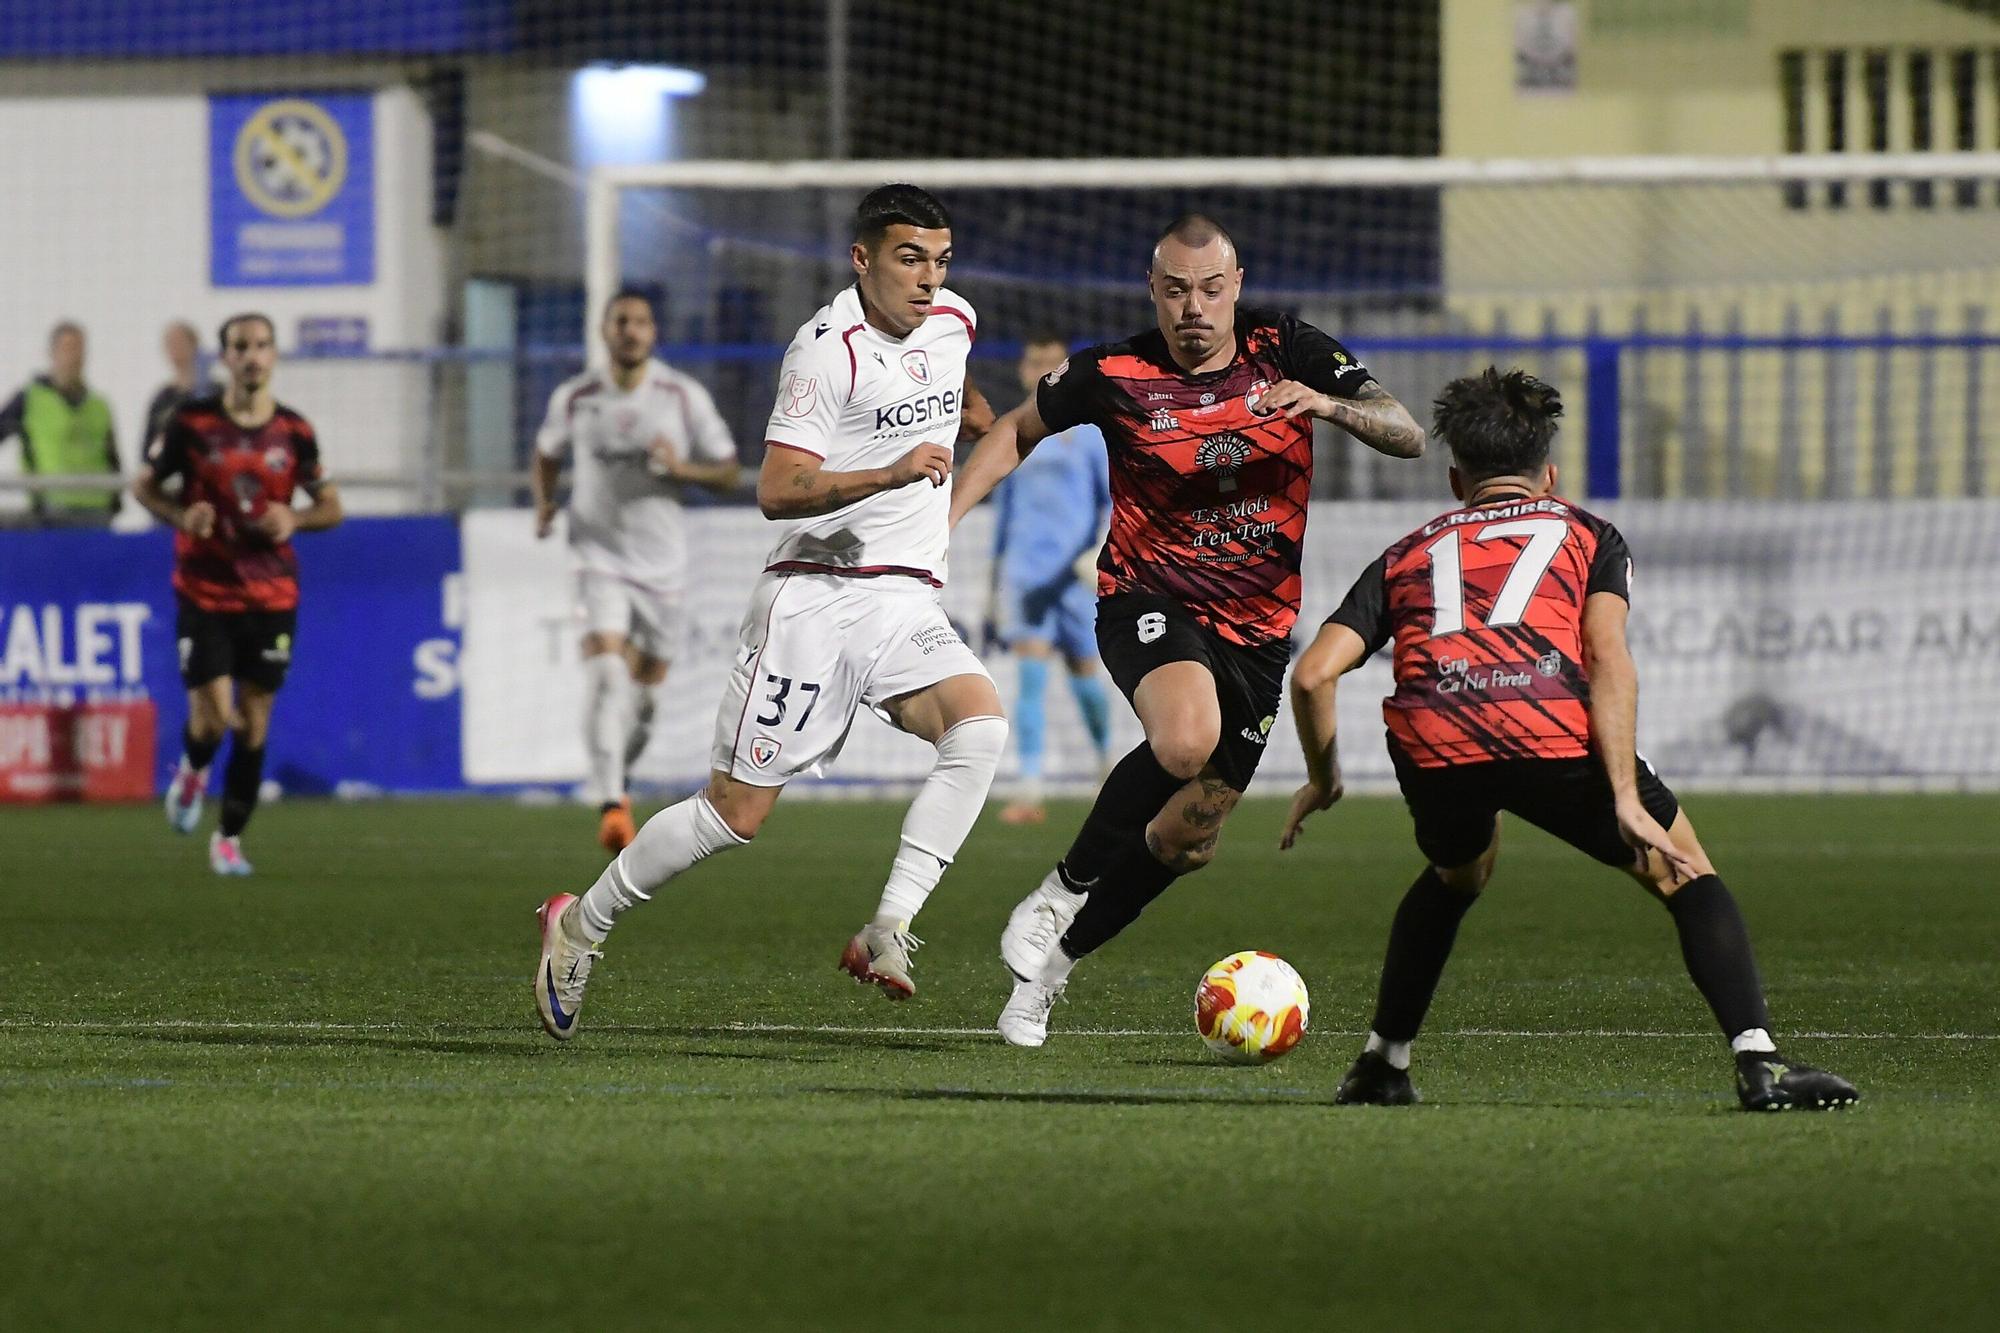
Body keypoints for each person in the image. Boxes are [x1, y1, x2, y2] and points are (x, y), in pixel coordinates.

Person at [1281, 367, 1858, 1113]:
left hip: (1436, 736)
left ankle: (1381, 1064)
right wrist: (1624, 793)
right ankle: (1760, 1063)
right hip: (1548, 725)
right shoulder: (1586, 533)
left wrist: (1324, 779)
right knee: (1686, 875)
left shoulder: (1406, 552)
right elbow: (1608, 656)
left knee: (1459, 872)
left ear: (1456, 480)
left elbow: (1312, 676)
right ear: (1548, 476)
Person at [532, 183, 1007, 1041]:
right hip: (813, 598)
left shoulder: (955, 322)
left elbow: (958, 398)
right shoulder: (825, 354)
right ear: (861, 259)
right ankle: (580, 924)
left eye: (939, 261)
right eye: (909, 259)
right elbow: (777, 489)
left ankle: (887, 925)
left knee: (979, 729)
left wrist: (979, 420)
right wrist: (890, 471)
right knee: (734, 814)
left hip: (903, 598)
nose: (928, 281)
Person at [950, 213, 1425, 1046]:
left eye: (1210, 289)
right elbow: (1017, 428)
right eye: (1175, 290)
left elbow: (1409, 434)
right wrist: (946, 519)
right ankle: (1061, 886)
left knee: (1184, 838)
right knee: (1183, 741)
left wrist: (1325, 402)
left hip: (1259, 636)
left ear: (1235, 286)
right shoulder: (1116, 370)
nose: (1193, 308)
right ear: (1153, 290)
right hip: (1147, 597)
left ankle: (1050, 972)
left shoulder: (1289, 348)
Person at [531, 288, 743, 851]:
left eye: (641, 322)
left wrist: (683, 468)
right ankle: (610, 803)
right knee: (606, 677)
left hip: (662, 568)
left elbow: (728, 471)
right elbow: (547, 452)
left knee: (645, 704)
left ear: (653, 333)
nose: (630, 330)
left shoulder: (680, 395)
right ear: (604, 330)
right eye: (620, 321)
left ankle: (617, 779)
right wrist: (545, 502)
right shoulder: (576, 397)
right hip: (595, 558)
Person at [133, 313, 344, 875]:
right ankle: (192, 770)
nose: (251, 355)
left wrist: (294, 519)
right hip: (205, 590)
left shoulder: (295, 431)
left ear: (274, 356)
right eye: (239, 346)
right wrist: (183, 513)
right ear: (224, 357)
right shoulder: (192, 422)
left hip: (272, 596)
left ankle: (227, 839)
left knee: (253, 722)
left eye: (261, 346)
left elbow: (332, 507)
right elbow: (144, 486)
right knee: (213, 719)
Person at [988, 332, 1114, 824]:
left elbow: (1111, 502)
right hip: (1027, 574)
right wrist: (993, 583)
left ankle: (1107, 768)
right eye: (1034, 359)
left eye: (1051, 361)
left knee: (1086, 676)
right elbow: (1004, 512)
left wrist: (1096, 553)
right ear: (1022, 369)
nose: (1041, 367)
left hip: (1074, 578)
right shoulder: (1014, 430)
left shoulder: (1088, 433)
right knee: (1031, 680)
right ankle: (1030, 789)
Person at [0, 321, 121, 523]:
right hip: (51, 510)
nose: (75, 356)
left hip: (97, 511)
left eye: (79, 349)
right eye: (68, 348)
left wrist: (116, 502)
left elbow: (112, 457)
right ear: (52, 353)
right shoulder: (30, 399)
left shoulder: (99, 405)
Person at [144, 320, 204, 448]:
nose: (174, 348)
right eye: (169, 343)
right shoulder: (161, 399)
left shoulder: (216, 392)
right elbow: (148, 447)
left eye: (179, 342)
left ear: (194, 344)